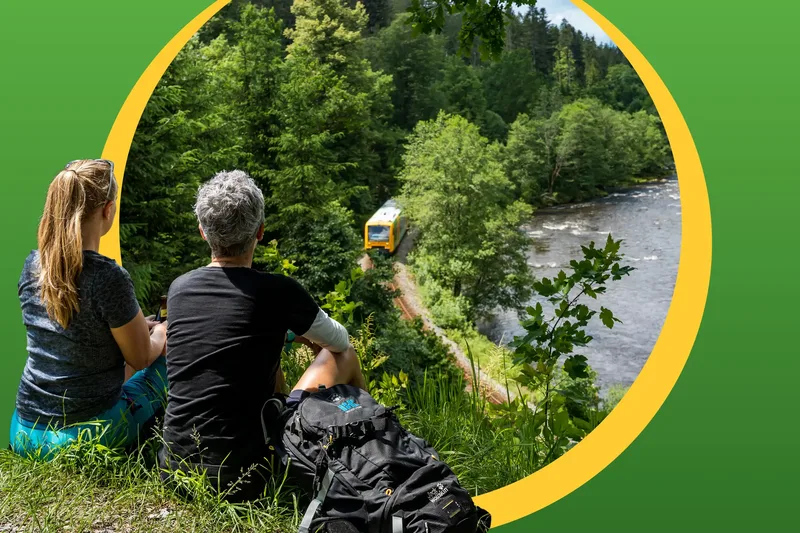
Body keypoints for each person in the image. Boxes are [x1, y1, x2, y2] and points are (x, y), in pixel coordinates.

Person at [158, 170, 366, 502]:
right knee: (344, 355)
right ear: (260, 231)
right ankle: (368, 440)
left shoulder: (179, 289)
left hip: (175, 471)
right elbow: (339, 340)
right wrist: (296, 332)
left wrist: (282, 334)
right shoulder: (279, 291)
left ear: (202, 232)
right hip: (247, 480)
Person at [9, 159, 168, 458]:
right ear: (108, 210)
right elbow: (141, 357)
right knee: (165, 364)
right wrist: (161, 332)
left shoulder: (32, 266)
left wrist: (137, 328)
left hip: (24, 431)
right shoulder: (108, 276)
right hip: (82, 438)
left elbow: (76, 336)